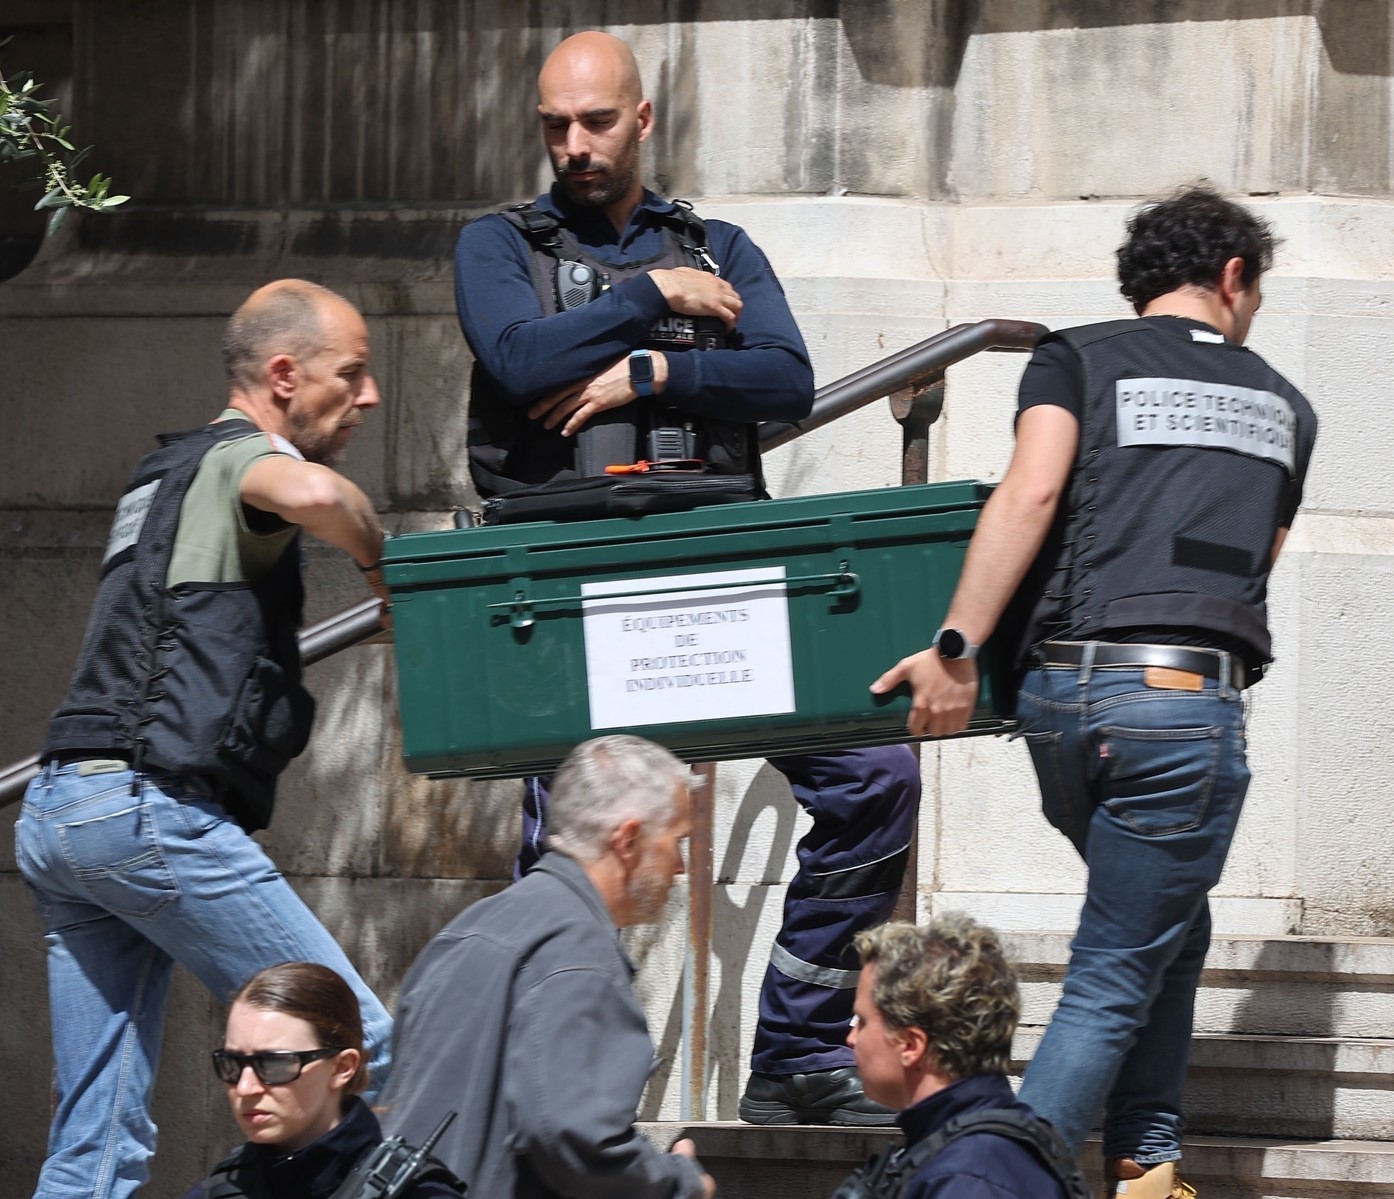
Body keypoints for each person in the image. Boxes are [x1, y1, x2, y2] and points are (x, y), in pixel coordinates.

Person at [456, 29, 920, 1125]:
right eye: (554, 126)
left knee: (874, 774)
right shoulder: (496, 243)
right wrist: (651, 297)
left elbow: (787, 380)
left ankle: (802, 1051)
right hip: (570, 566)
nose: (574, 144)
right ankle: (550, 1092)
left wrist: (647, 370)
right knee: (570, 839)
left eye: (597, 121)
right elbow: (519, 359)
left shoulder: (722, 244)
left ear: (644, 118)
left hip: (721, 556)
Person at [874, 185, 1319, 1198]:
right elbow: (1254, 563)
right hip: (1183, 706)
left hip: (1064, 703)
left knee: (1172, 920)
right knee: (1115, 968)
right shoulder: (1288, 407)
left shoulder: (1077, 358)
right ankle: (998, 1178)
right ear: (1236, 276)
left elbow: (1031, 492)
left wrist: (957, 644)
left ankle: (1145, 1159)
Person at [15, 280, 395, 1199]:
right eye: (351, 373)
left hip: (63, 813)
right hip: (148, 811)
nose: (371, 396)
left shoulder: (162, 476)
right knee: (351, 1039)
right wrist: (388, 572)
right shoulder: (241, 458)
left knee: (97, 1141)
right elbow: (307, 489)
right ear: (281, 375)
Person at [377, 736, 715, 1199]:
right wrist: (678, 1180)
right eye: (676, 841)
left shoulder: (470, 927)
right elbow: (575, 1138)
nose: (680, 865)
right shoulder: (577, 949)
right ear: (629, 840)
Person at [833, 913, 1086, 1199]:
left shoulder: (970, 1178)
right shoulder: (964, 1152)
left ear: (911, 1044)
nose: (851, 1038)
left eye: (862, 1022)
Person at [186, 962, 463, 1199]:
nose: (245, 1088)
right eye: (232, 1064)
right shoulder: (222, 1187)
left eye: (275, 1064)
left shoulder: (419, 1192)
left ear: (342, 1068)